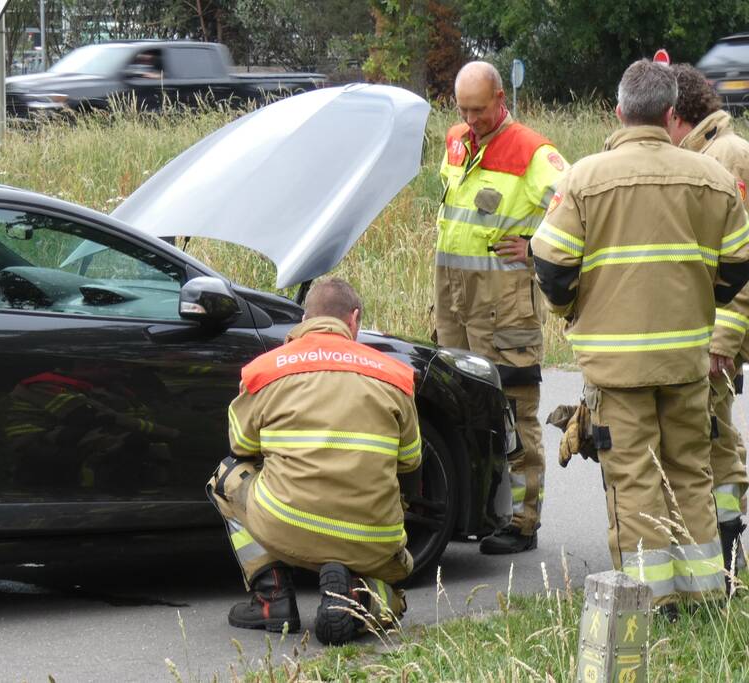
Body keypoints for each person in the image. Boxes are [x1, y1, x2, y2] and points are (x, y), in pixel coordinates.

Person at [531, 59, 749, 609]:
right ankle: (704, 600)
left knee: (633, 480)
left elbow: (551, 263)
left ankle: (650, 605)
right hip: (686, 362)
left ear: (619, 112)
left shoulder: (584, 177)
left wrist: (570, 310)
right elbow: (741, 261)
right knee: (691, 473)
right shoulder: (714, 178)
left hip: (616, 367)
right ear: (672, 112)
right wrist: (707, 304)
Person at [207, 278, 420, 644]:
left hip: (287, 524)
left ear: (305, 318)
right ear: (353, 320)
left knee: (225, 477)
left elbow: (241, 445)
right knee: (394, 599)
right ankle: (360, 597)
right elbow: (410, 461)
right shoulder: (395, 376)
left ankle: (271, 598)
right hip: (372, 539)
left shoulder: (266, 371)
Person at [436, 61, 568, 554]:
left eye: (479, 109)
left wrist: (533, 246)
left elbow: (578, 206)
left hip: (505, 308)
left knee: (514, 412)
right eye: (463, 110)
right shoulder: (456, 140)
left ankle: (522, 520)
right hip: (453, 302)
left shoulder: (534, 151)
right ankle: (473, 511)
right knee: (459, 408)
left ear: (500, 98)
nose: (471, 120)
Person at [666, 63, 749, 578]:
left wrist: (724, 335)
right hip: (711, 321)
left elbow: (743, 255)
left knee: (714, 435)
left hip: (722, 327)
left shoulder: (727, 156)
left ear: (677, 115)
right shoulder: (708, 152)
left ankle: (725, 552)